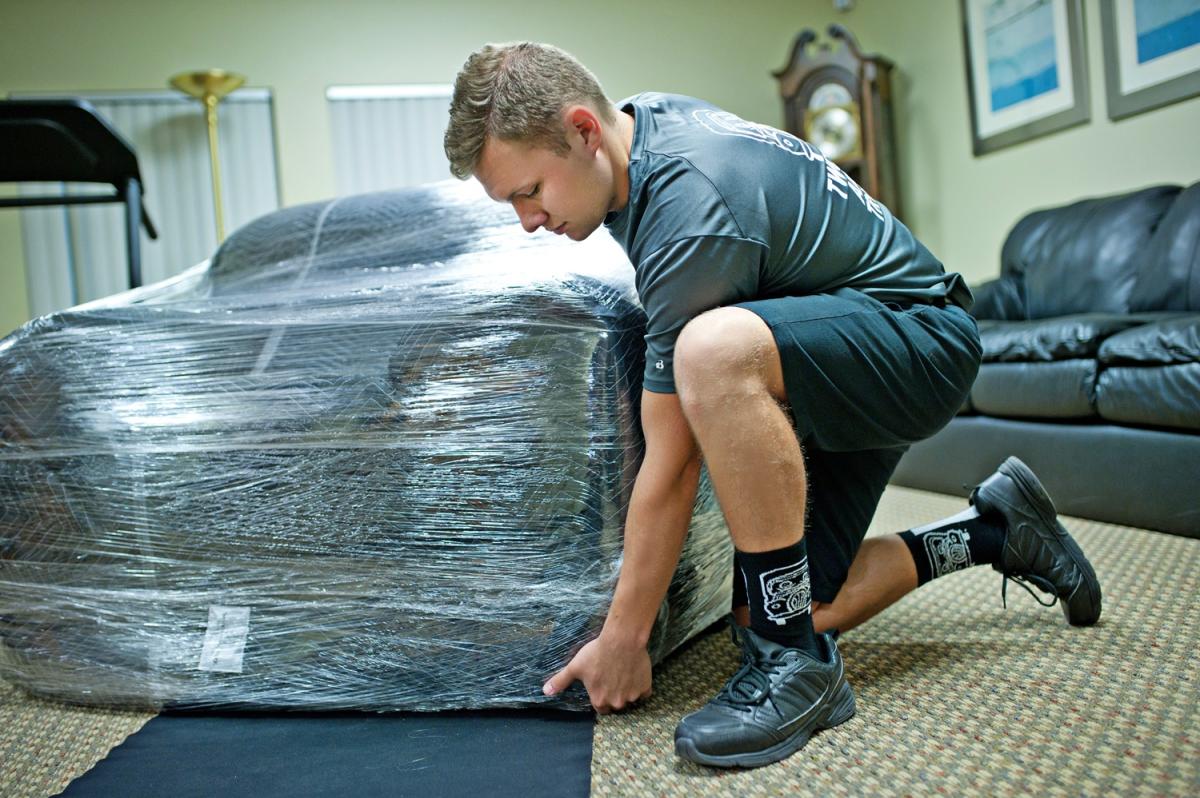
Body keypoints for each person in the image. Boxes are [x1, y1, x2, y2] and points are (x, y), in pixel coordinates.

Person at [442, 41, 1102, 769]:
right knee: (785, 600)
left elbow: (672, 462)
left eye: (528, 191)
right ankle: (996, 531)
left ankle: (796, 668)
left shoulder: (691, 210)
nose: (527, 220)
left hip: (920, 340)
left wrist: (624, 639)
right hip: (837, 348)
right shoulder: (645, 128)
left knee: (710, 352)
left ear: (584, 131)